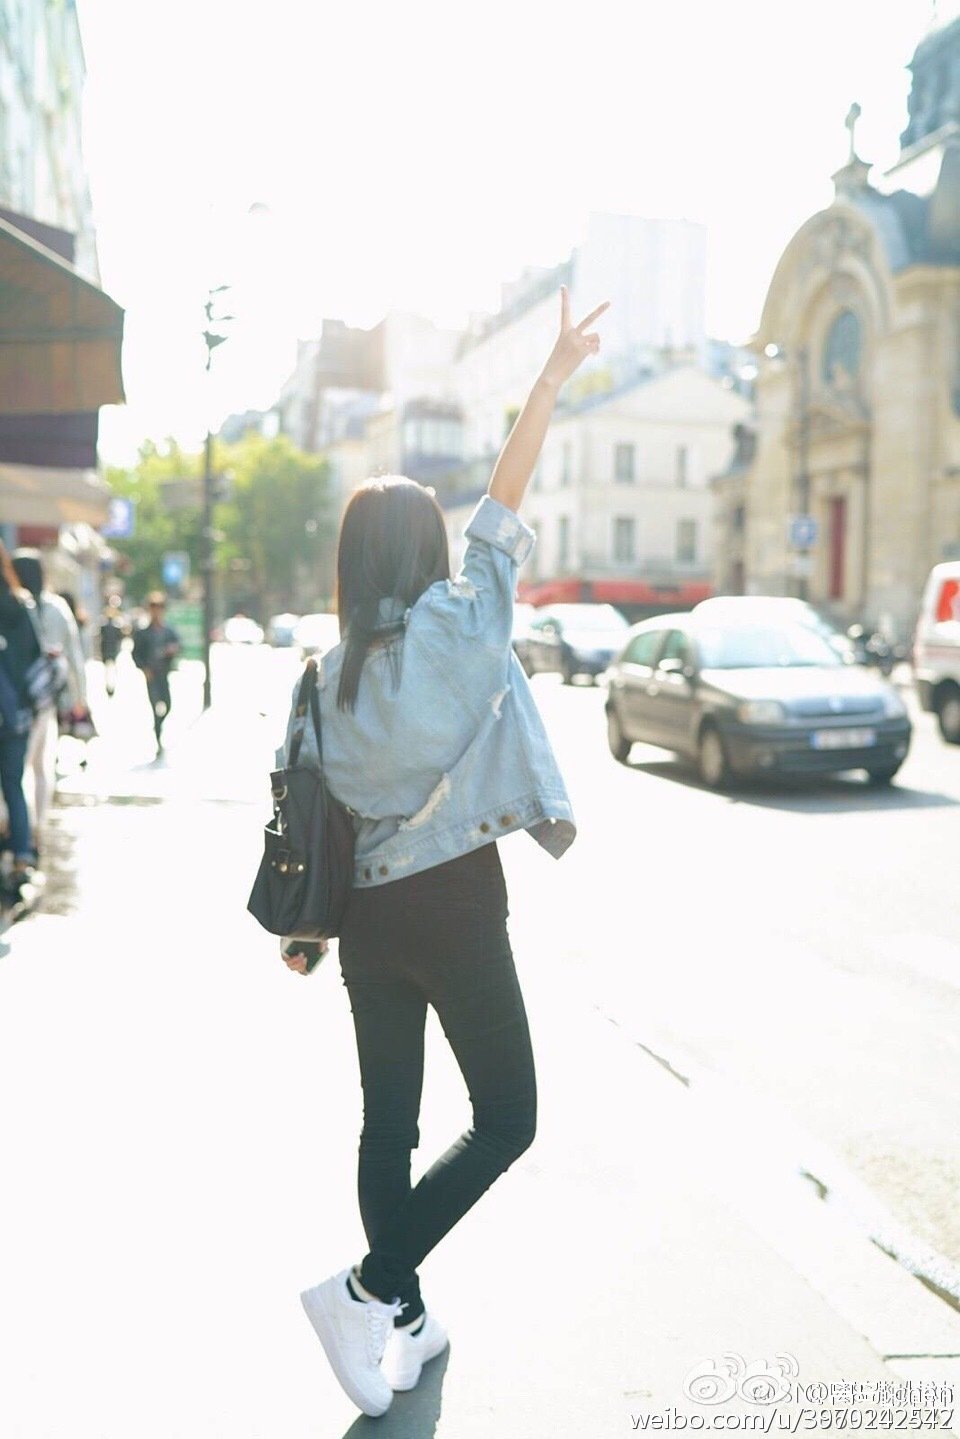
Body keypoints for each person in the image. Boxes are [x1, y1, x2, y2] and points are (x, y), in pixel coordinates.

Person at [285, 287, 608, 1418]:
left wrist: (304, 932)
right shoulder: (460, 627)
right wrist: (554, 376)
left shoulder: (325, 675)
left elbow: (300, 807)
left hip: (367, 925)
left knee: (389, 1122)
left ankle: (404, 1324)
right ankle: (371, 1286)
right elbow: (505, 502)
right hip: (460, 910)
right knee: (508, 1116)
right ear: (424, 549)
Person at [12, 550, 88, 843]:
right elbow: (74, 655)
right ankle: (37, 826)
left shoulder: (17, 605)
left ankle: (19, 825)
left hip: (20, 697)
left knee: (21, 767)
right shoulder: (56, 608)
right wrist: (80, 697)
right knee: (42, 764)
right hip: (46, 697)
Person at [0, 541, 42, 902]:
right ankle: (22, 854)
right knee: (14, 784)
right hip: (16, 714)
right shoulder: (21, 602)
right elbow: (36, 657)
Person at [131, 592, 181, 754]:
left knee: (168, 704)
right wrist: (144, 669)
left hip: (164, 674)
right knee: (154, 706)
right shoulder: (143, 633)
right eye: (154, 608)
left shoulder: (168, 631)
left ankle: (158, 725)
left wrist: (172, 650)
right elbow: (135, 654)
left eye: (159, 608)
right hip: (151, 675)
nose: (156, 611)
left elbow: (178, 644)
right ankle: (158, 737)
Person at [99, 603, 126, 697]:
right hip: (110, 649)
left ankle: (110, 685)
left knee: (109, 669)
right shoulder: (112, 626)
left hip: (108, 649)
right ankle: (110, 685)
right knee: (110, 669)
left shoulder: (108, 626)